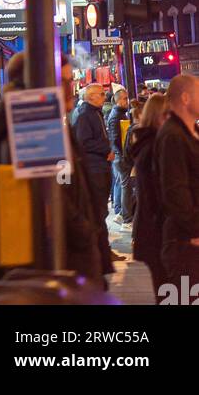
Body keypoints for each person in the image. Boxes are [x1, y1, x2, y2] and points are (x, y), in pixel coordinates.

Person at [0, 56, 107, 294]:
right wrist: (21, 203)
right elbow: (55, 192)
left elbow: (65, 182)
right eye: (63, 81)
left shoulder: (52, 121)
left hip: (66, 253)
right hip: (46, 257)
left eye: (69, 81)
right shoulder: (32, 116)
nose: (70, 89)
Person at [155, 73, 199, 291]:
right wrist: (194, 231)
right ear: (185, 98)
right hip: (185, 245)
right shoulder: (173, 135)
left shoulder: (191, 132)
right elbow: (175, 190)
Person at [124, 92, 168, 298]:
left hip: (151, 230)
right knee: (170, 290)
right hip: (157, 232)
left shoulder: (145, 143)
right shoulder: (155, 146)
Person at [72, 83, 119, 248]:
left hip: (101, 167)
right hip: (95, 169)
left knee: (101, 211)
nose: (104, 96)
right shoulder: (85, 115)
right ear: (90, 97)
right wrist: (106, 149)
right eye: (101, 93)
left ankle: (103, 249)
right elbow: (84, 142)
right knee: (98, 211)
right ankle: (101, 250)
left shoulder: (95, 113)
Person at [108, 87, 132, 221]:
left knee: (121, 184)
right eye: (125, 99)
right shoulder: (117, 115)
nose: (127, 101)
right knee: (125, 186)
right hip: (120, 156)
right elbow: (116, 138)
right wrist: (123, 154)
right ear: (118, 100)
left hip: (119, 156)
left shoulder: (118, 114)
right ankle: (125, 216)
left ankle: (120, 212)